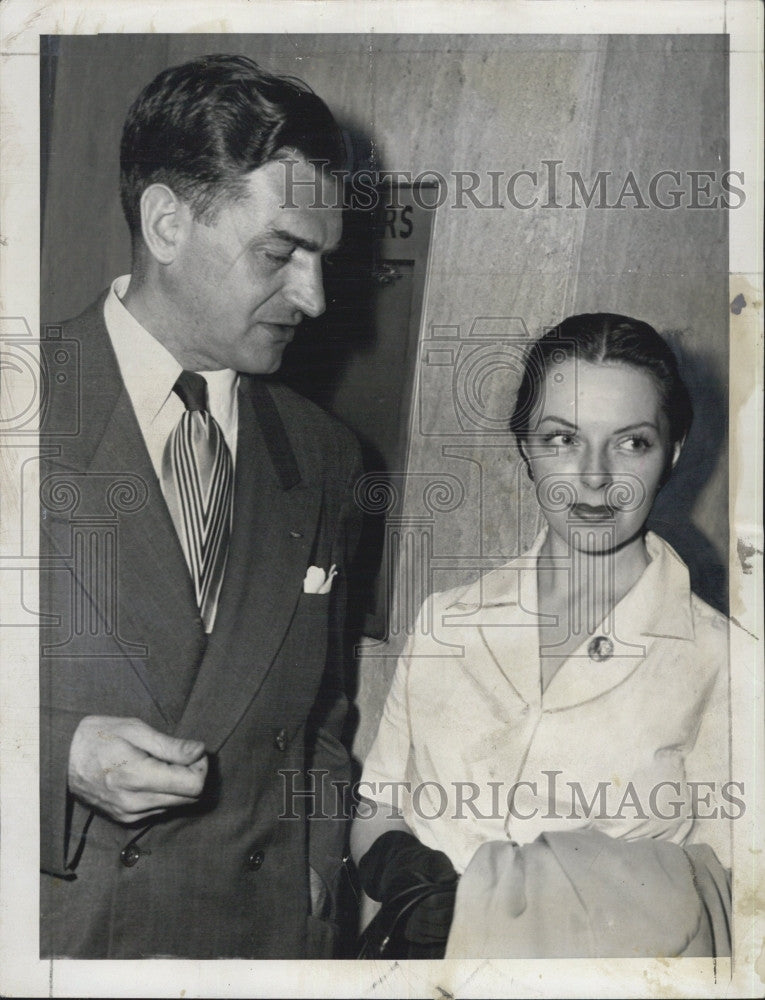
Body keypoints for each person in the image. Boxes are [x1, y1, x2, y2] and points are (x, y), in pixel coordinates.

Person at [39, 54, 362, 959]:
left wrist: (314, 874)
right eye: (279, 254)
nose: (315, 297)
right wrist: (51, 761)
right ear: (166, 222)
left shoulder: (327, 455)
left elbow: (324, 723)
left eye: (322, 260)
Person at [352, 313, 733, 959]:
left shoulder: (724, 663)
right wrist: (404, 872)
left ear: (672, 451)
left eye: (630, 442)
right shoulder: (447, 621)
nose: (592, 476)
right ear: (524, 444)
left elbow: (733, 892)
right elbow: (379, 805)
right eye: (562, 439)